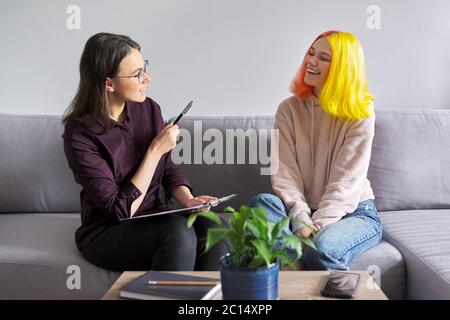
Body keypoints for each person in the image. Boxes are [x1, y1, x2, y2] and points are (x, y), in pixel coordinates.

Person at [62, 32, 227, 272]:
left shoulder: (148, 109)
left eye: (144, 68)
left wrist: (189, 200)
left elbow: (168, 168)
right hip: (108, 229)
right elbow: (119, 211)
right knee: (178, 235)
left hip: (154, 216)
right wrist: (153, 151)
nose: (147, 78)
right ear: (109, 83)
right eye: (137, 74)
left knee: (214, 227)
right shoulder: (79, 134)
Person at [249, 30, 382, 270]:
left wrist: (315, 226)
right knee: (263, 203)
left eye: (323, 57)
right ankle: (295, 266)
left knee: (322, 248)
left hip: (351, 212)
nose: (311, 61)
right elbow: (285, 174)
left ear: (342, 67)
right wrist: (301, 220)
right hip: (300, 211)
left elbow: (346, 183)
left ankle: (291, 264)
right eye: (311, 53)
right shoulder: (288, 110)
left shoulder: (361, 113)